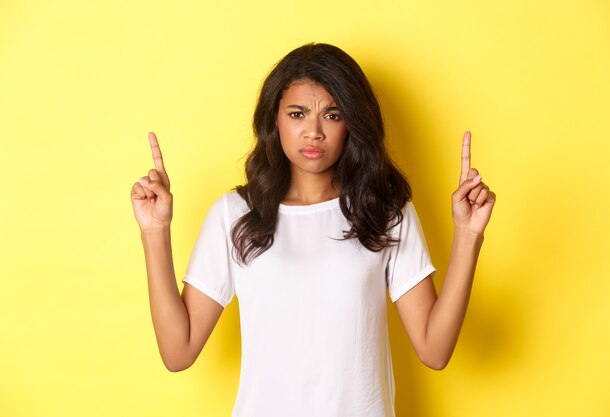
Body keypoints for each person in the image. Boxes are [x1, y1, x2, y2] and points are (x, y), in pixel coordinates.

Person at [130, 43, 495, 417]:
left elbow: (434, 351)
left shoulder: (384, 212)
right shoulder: (235, 215)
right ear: (275, 119)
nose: (314, 132)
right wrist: (155, 232)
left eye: (332, 115)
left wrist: (468, 237)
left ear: (352, 123)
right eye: (298, 113)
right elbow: (178, 352)